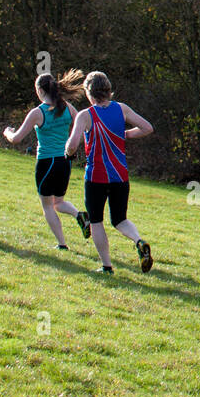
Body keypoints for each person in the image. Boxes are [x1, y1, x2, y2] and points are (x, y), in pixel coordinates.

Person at [63, 71, 153, 274]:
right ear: (109, 90)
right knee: (120, 219)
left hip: (96, 177)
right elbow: (147, 128)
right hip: (120, 176)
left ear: (89, 93)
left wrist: (67, 151)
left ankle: (106, 266)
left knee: (96, 221)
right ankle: (138, 241)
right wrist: (125, 134)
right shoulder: (122, 109)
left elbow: (73, 145)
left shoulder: (86, 115)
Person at [3, 70, 88, 250]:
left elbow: (16, 138)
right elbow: (82, 125)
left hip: (46, 162)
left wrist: (7, 133)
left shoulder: (38, 112)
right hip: (65, 161)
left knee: (48, 205)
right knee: (59, 202)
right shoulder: (67, 107)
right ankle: (79, 215)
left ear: (40, 91)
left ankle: (62, 244)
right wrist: (72, 145)